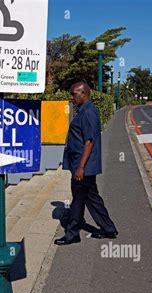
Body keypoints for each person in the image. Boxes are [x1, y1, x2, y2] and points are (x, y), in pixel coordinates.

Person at [55, 82, 118, 246]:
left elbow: (89, 141)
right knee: (92, 198)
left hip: (83, 166)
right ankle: (108, 228)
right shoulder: (84, 111)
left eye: (74, 94)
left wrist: (81, 167)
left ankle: (72, 234)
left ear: (84, 93)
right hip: (84, 165)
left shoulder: (88, 113)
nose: (71, 97)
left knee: (77, 200)